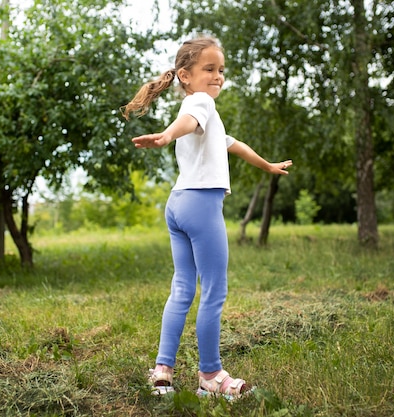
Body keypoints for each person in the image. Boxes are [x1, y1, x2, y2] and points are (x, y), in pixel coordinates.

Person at [122, 35, 293, 399]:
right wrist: (167, 136)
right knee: (214, 291)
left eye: (221, 70)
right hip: (200, 205)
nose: (217, 77)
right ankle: (211, 375)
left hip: (177, 204)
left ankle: (162, 372)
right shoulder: (199, 104)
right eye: (209, 69)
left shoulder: (203, 113)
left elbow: (235, 145)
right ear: (185, 75)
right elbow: (185, 122)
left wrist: (268, 165)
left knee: (183, 288)